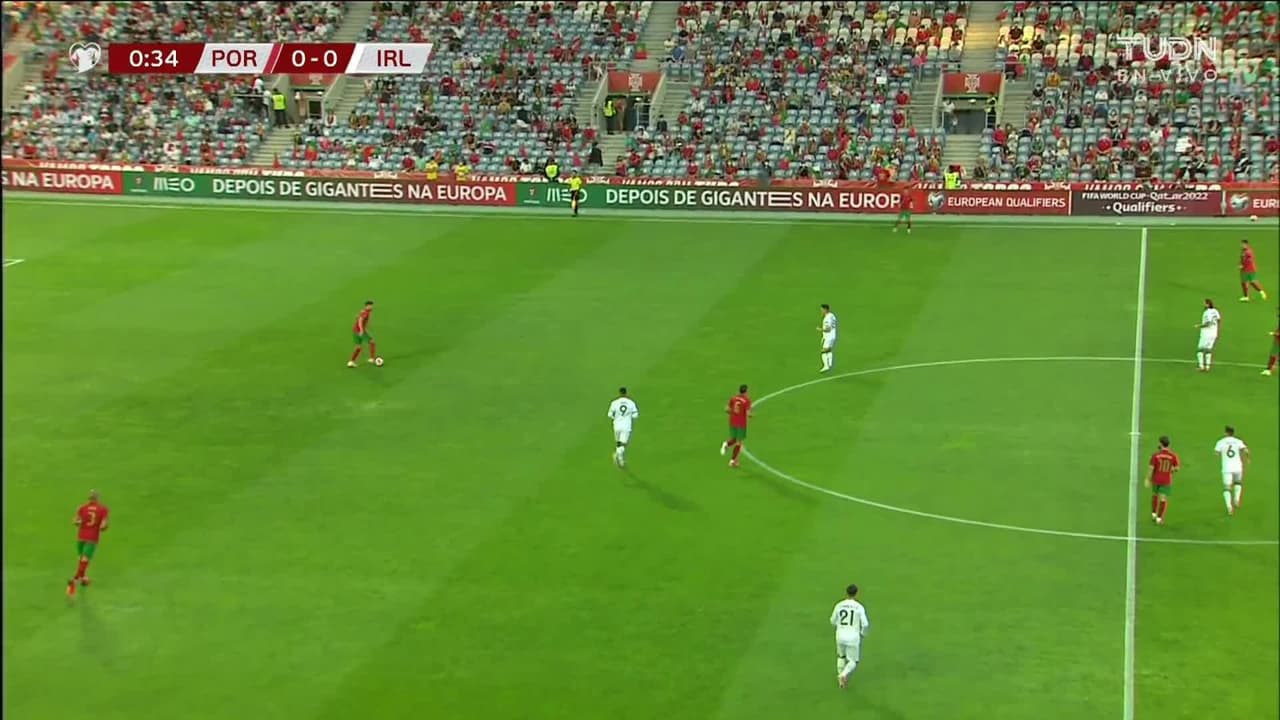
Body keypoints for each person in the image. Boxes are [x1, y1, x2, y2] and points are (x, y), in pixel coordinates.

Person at [68, 490, 109, 597]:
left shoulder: (82, 508)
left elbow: (75, 521)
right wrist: (103, 527)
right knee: (84, 560)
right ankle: (75, 579)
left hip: (81, 537)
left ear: (89, 498)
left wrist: (80, 522)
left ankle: (84, 579)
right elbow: (104, 525)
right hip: (92, 538)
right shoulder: (103, 509)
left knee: (81, 559)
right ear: (98, 498)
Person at [829, 584, 870, 690]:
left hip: (840, 635)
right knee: (853, 661)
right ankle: (843, 675)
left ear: (846, 593)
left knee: (841, 656)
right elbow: (865, 624)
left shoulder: (839, 605)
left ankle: (841, 681)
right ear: (857, 593)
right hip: (853, 637)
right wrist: (863, 633)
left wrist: (840, 626)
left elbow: (832, 621)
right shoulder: (859, 607)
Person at [1214, 426, 1250, 515]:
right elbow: (1246, 450)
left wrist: (1221, 453)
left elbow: (1216, 454)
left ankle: (1229, 507)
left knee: (1227, 488)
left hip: (1227, 468)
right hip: (1237, 467)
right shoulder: (1238, 441)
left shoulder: (1220, 442)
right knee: (1238, 483)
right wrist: (1248, 458)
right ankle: (1236, 499)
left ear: (1225, 433)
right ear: (1233, 433)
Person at [1145, 436, 1180, 525]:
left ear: (1161, 444)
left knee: (1155, 495)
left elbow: (1151, 468)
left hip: (1156, 479)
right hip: (1166, 480)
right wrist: (1171, 470)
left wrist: (1148, 479)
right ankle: (1159, 518)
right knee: (1163, 499)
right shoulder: (1173, 456)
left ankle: (1153, 514)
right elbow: (1177, 468)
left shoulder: (1156, 455)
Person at [720, 384, 752, 467]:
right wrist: (751, 416)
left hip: (732, 422)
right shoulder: (747, 400)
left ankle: (726, 444)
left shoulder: (733, 398)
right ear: (746, 391)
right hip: (741, 423)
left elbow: (726, 409)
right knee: (738, 443)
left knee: (734, 439)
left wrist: (734, 414)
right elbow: (748, 414)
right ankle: (733, 461)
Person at [606, 387, 638, 468]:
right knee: (623, 444)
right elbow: (635, 415)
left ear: (620, 393)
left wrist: (616, 418)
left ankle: (621, 460)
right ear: (626, 393)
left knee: (618, 443)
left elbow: (609, 414)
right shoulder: (631, 403)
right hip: (626, 426)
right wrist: (629, 416)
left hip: (616, 425)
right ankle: (617, 455)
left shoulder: (614, 402)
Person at [348, 300, 380, 368]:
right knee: (372, 342)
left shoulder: (363, 311)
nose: (371, 307)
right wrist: (362, 330)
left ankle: (351, 362)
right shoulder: (366, 313)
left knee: (358, 347)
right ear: (367, 306)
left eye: (372, 305)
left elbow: (358, 317)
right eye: (370, 306)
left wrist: (365, 325)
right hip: (360, 331)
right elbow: (360, 320)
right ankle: (372, 358)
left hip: (355, 330)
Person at [1196, 298, 1221, 372]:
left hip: (1206, 334)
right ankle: (1207, 367)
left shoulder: (1207, 312)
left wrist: (1199, 326)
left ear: (1208, 304)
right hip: (1214, 333)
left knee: (1200, 350)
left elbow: (1208, 323)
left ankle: (1201, 366)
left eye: (1205, 303)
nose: (1203, 305)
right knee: (1208, 350)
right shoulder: (1215, 311)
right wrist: (1217, 330)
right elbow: (1219, 320)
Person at [818, 303, 838, 373]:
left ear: (825, 309)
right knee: (829, 350)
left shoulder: (827, 318)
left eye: (822, 310)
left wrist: (820, 329)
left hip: (828, 336)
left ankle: (826, 366)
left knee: (823, 351)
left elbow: (828, 329)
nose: (821, 311)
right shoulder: (832, 315)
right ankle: (830, 364)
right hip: (833, 335)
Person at [1263, 309, 1279, 376]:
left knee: (1273, 355)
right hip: (1277, 340)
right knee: (1273, 355)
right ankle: (1268, 369)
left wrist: (1273, 333)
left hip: (1278, 341)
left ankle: (1269, 370)